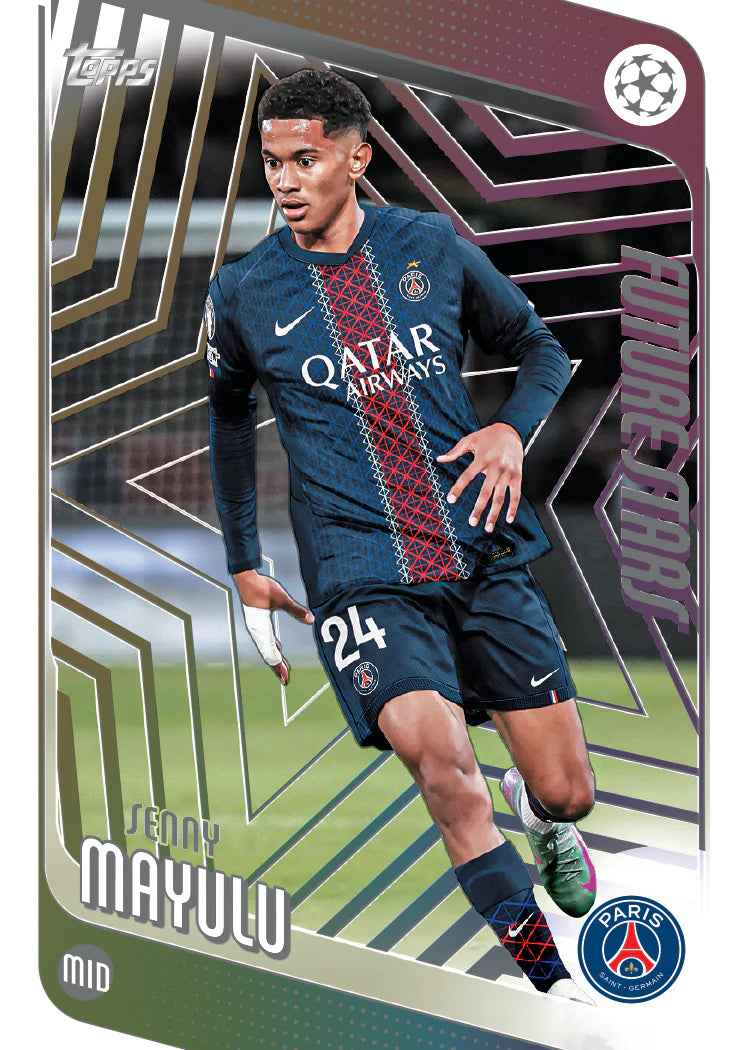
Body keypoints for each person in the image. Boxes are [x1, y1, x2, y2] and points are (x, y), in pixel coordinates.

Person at [207, 68, 596, 1003]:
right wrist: (244, 562)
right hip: (359, 570)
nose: (285, 180)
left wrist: (510, 431)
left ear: (357, 158)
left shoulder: (427, 244)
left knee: (568, 791)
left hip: (478, 546)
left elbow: (542, 348)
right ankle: (554, 987)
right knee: (448, 773)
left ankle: (544, 819)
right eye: (272, 162)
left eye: (305, 159)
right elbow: (227, 423)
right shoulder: (245, 290)